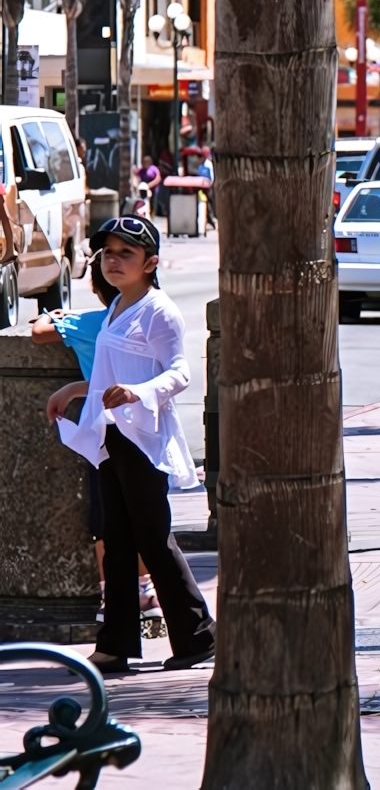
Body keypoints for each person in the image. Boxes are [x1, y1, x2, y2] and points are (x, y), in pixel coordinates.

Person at [47, 216, 214, 674]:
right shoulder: (118, 304)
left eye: (127, 254)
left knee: (152, 539)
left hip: (143, 439)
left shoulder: (159, 310)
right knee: (116, 539)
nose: (113, 261)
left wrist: (139, 393)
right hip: (110, 437)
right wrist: (76, 391)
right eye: (107, 253)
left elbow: (179, 372)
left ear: (151, 263)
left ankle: (198, 635)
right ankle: (115, 645)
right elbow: (111, 372)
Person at [32, 262, 162, 624]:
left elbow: (40, 333)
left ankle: (111, 594)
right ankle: (146, 589)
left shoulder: (92, 323)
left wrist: (57, 315)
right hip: (141, 424)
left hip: (103, 428)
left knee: (104, 516)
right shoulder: (143, 316)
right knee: (140, 511)